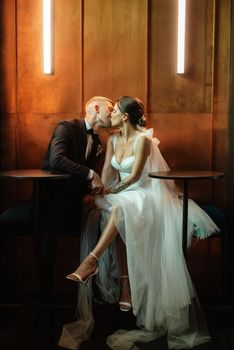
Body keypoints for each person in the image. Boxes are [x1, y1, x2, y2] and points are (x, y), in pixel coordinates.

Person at [60, 96, 219, 349]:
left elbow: (134, 177)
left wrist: (114, 192)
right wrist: (101, 190)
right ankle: (121, 282)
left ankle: (92, 261)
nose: (110, 114)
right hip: (120, 195)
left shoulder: (144, 140)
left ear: (125, 117)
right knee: (112, 212)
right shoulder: (112, 139)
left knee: (121, 208)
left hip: (143, 193)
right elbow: (106, 174)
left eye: (115, 112)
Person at [36, 96, 114, 303]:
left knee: (107, 218)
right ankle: (45, 299)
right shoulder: (66, 128)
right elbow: (57, 159)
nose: (113, 113)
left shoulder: (98, 141)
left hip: (75, 202)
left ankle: (99, 287)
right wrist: (89, 173)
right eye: (110, 108)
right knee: (49, 239)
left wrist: (89, 192)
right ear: (96, 108)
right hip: (51, 200)